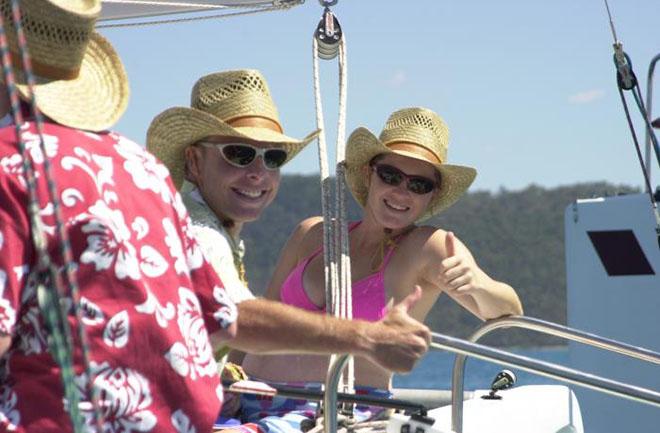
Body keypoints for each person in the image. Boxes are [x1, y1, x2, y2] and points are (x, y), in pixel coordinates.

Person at [0, 3, 430, 432]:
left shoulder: (10, 167)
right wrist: (366, 337)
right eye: (240, 154)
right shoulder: (141, 171)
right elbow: (230, 316)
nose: (258, 172)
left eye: (273, 157)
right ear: (192, 162)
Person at [237, 107, 523, 428]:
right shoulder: (313, 233)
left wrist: (477, 286)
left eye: (419, 185)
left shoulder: (428, 247)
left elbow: (507, 314)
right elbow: (256, 324)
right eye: (390, 176)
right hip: (244, 393)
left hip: (333, 412)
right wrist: (224, 378)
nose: (401, 192)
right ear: (368, 172)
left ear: (433, 194)